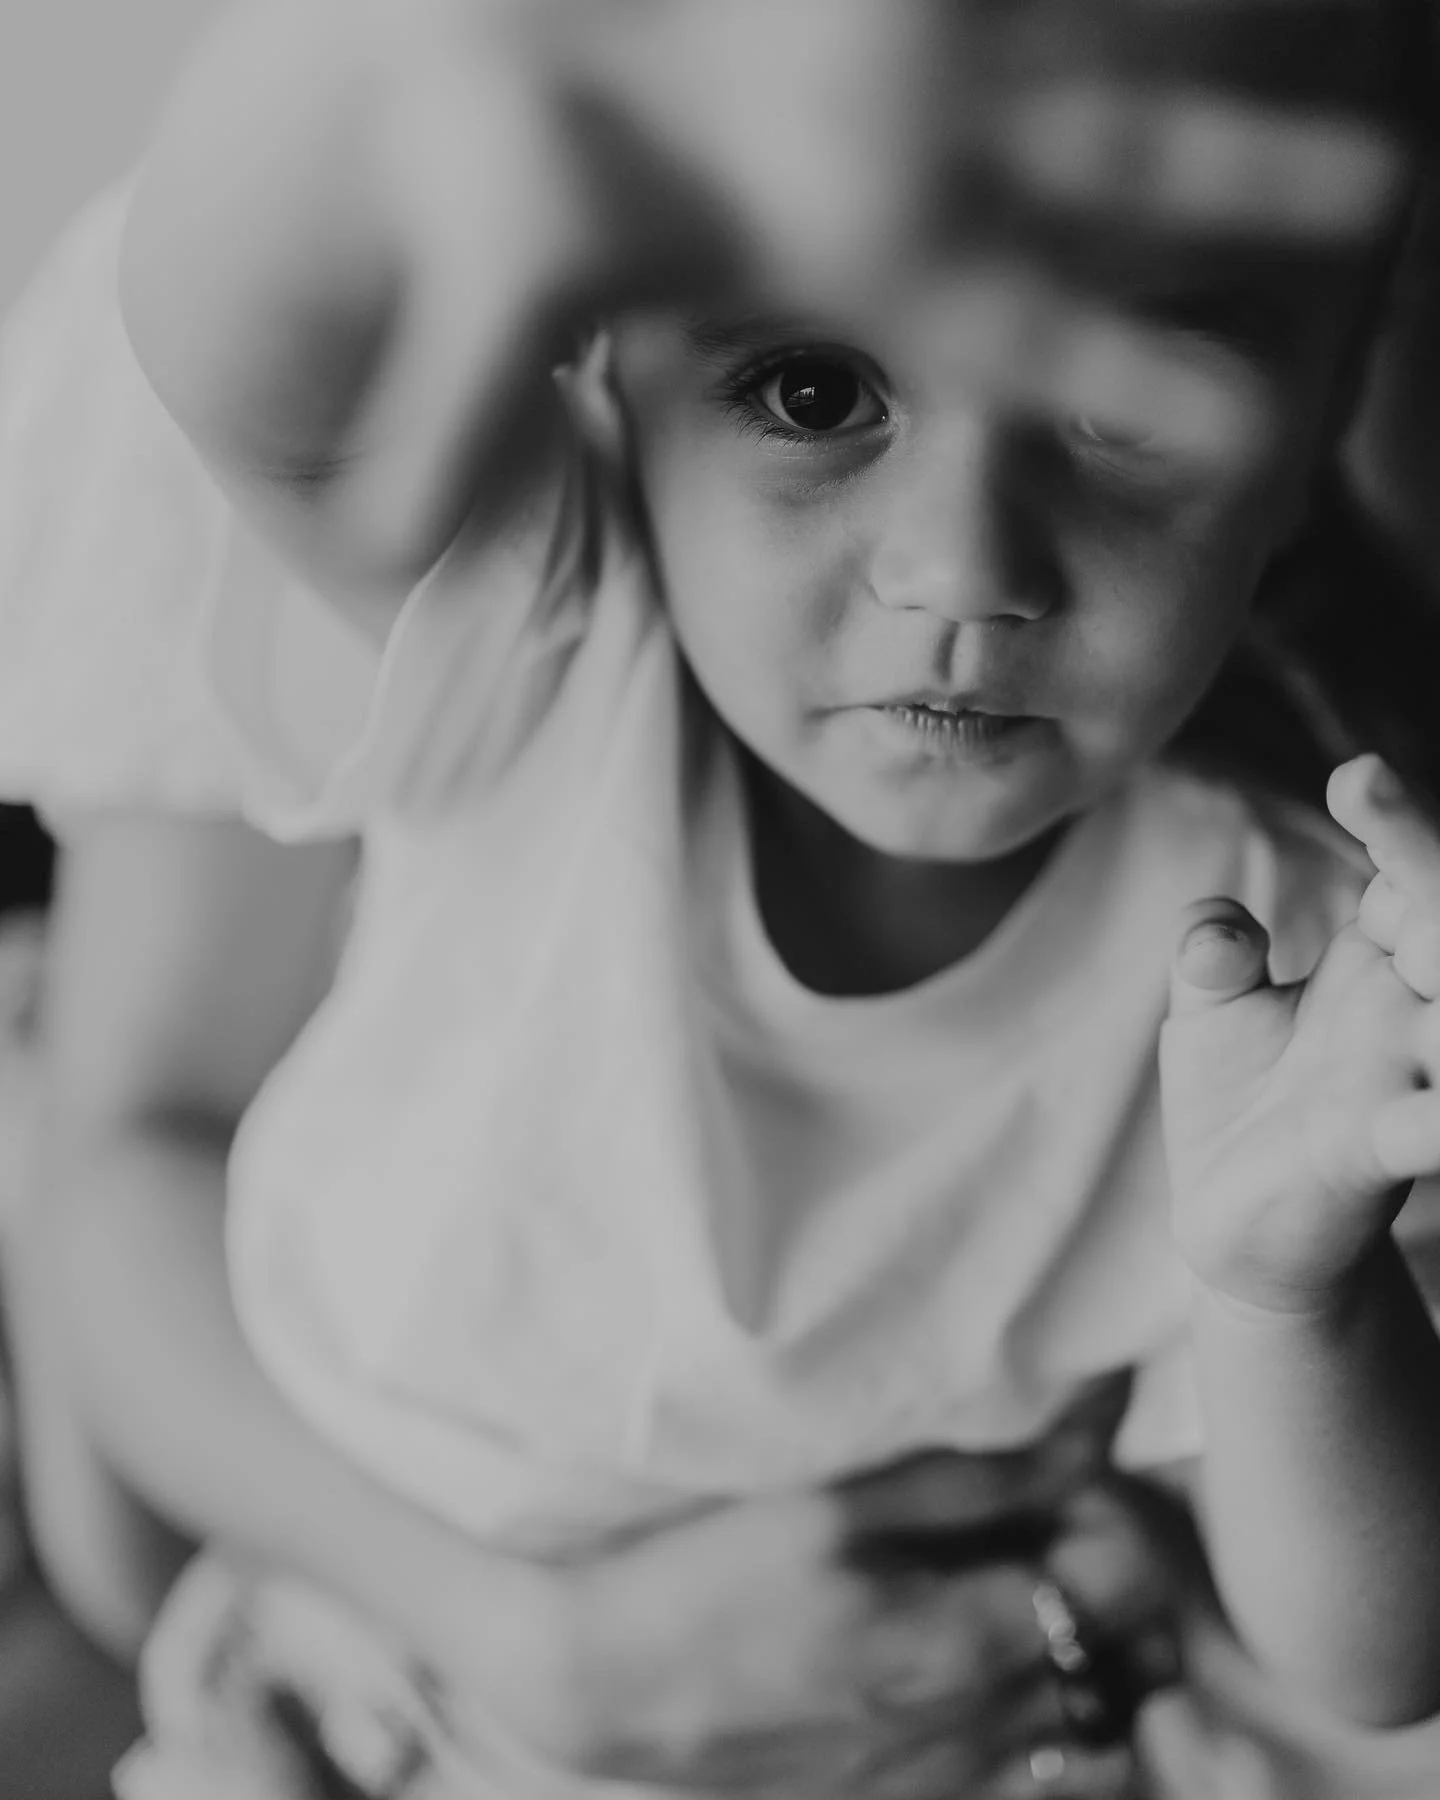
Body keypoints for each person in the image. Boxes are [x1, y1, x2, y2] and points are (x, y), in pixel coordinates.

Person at [4, 1, 1440, 1796]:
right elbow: (251, 334)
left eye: (1117, 402)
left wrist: (1296, 1294)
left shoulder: (1291, 951)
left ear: (1319, 413)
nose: (964, 567)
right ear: (600, 353)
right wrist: (448, 55)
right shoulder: (540, 643)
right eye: (817, 391)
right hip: (360, 1707)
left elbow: (1372, 1661)